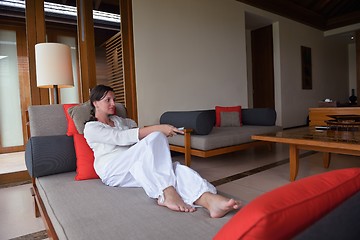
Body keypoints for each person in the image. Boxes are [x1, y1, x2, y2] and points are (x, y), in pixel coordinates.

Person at [84, 85, 241, 218]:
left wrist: (145, 129)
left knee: (174, 169)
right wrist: (159, 128)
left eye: (114, 99)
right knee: (156, 136)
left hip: (135, 165)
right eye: (108, 100)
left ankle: (209, 200)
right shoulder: (91, 128)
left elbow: (131, 126)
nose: (113, 103)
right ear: (95, 103)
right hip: (113, 170)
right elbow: (121, 137)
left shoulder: (118, 120)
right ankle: (167, 191)